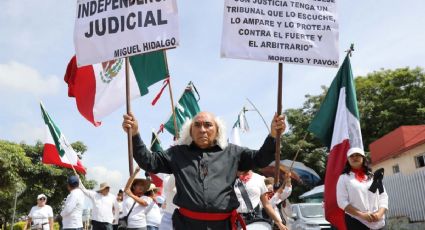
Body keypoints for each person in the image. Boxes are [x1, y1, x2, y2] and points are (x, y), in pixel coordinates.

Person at [122, 111, 287, 230]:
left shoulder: (233, 152)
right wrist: (135, 134)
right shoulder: (177, 153)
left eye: (208, 125)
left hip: (223, 226)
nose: (202, 129)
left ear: (217, 130)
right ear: (190, 131)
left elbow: (260, 159)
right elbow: (149, 162)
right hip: (186, 225)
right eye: (197, 125)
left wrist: (273, 136)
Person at [336, 147, 389, 230]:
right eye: (351, 156)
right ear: (348, 160)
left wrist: (379, 214)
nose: (354, 157)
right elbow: (342, 202)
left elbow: (383, 196)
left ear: (363, 158)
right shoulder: (343, 178)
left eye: (357, 155)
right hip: (356, 221)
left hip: (378, 221)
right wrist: (361, 215)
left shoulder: (373, 177)